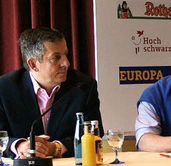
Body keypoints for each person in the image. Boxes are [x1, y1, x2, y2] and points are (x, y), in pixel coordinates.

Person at [0, 27, 102, 158]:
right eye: (56, 57)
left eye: (66, 54)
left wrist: (55, 147)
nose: (66, 63)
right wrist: (19, 146)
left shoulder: (83, 86)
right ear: (33, 64)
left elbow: (95, 135)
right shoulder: (4, 88)